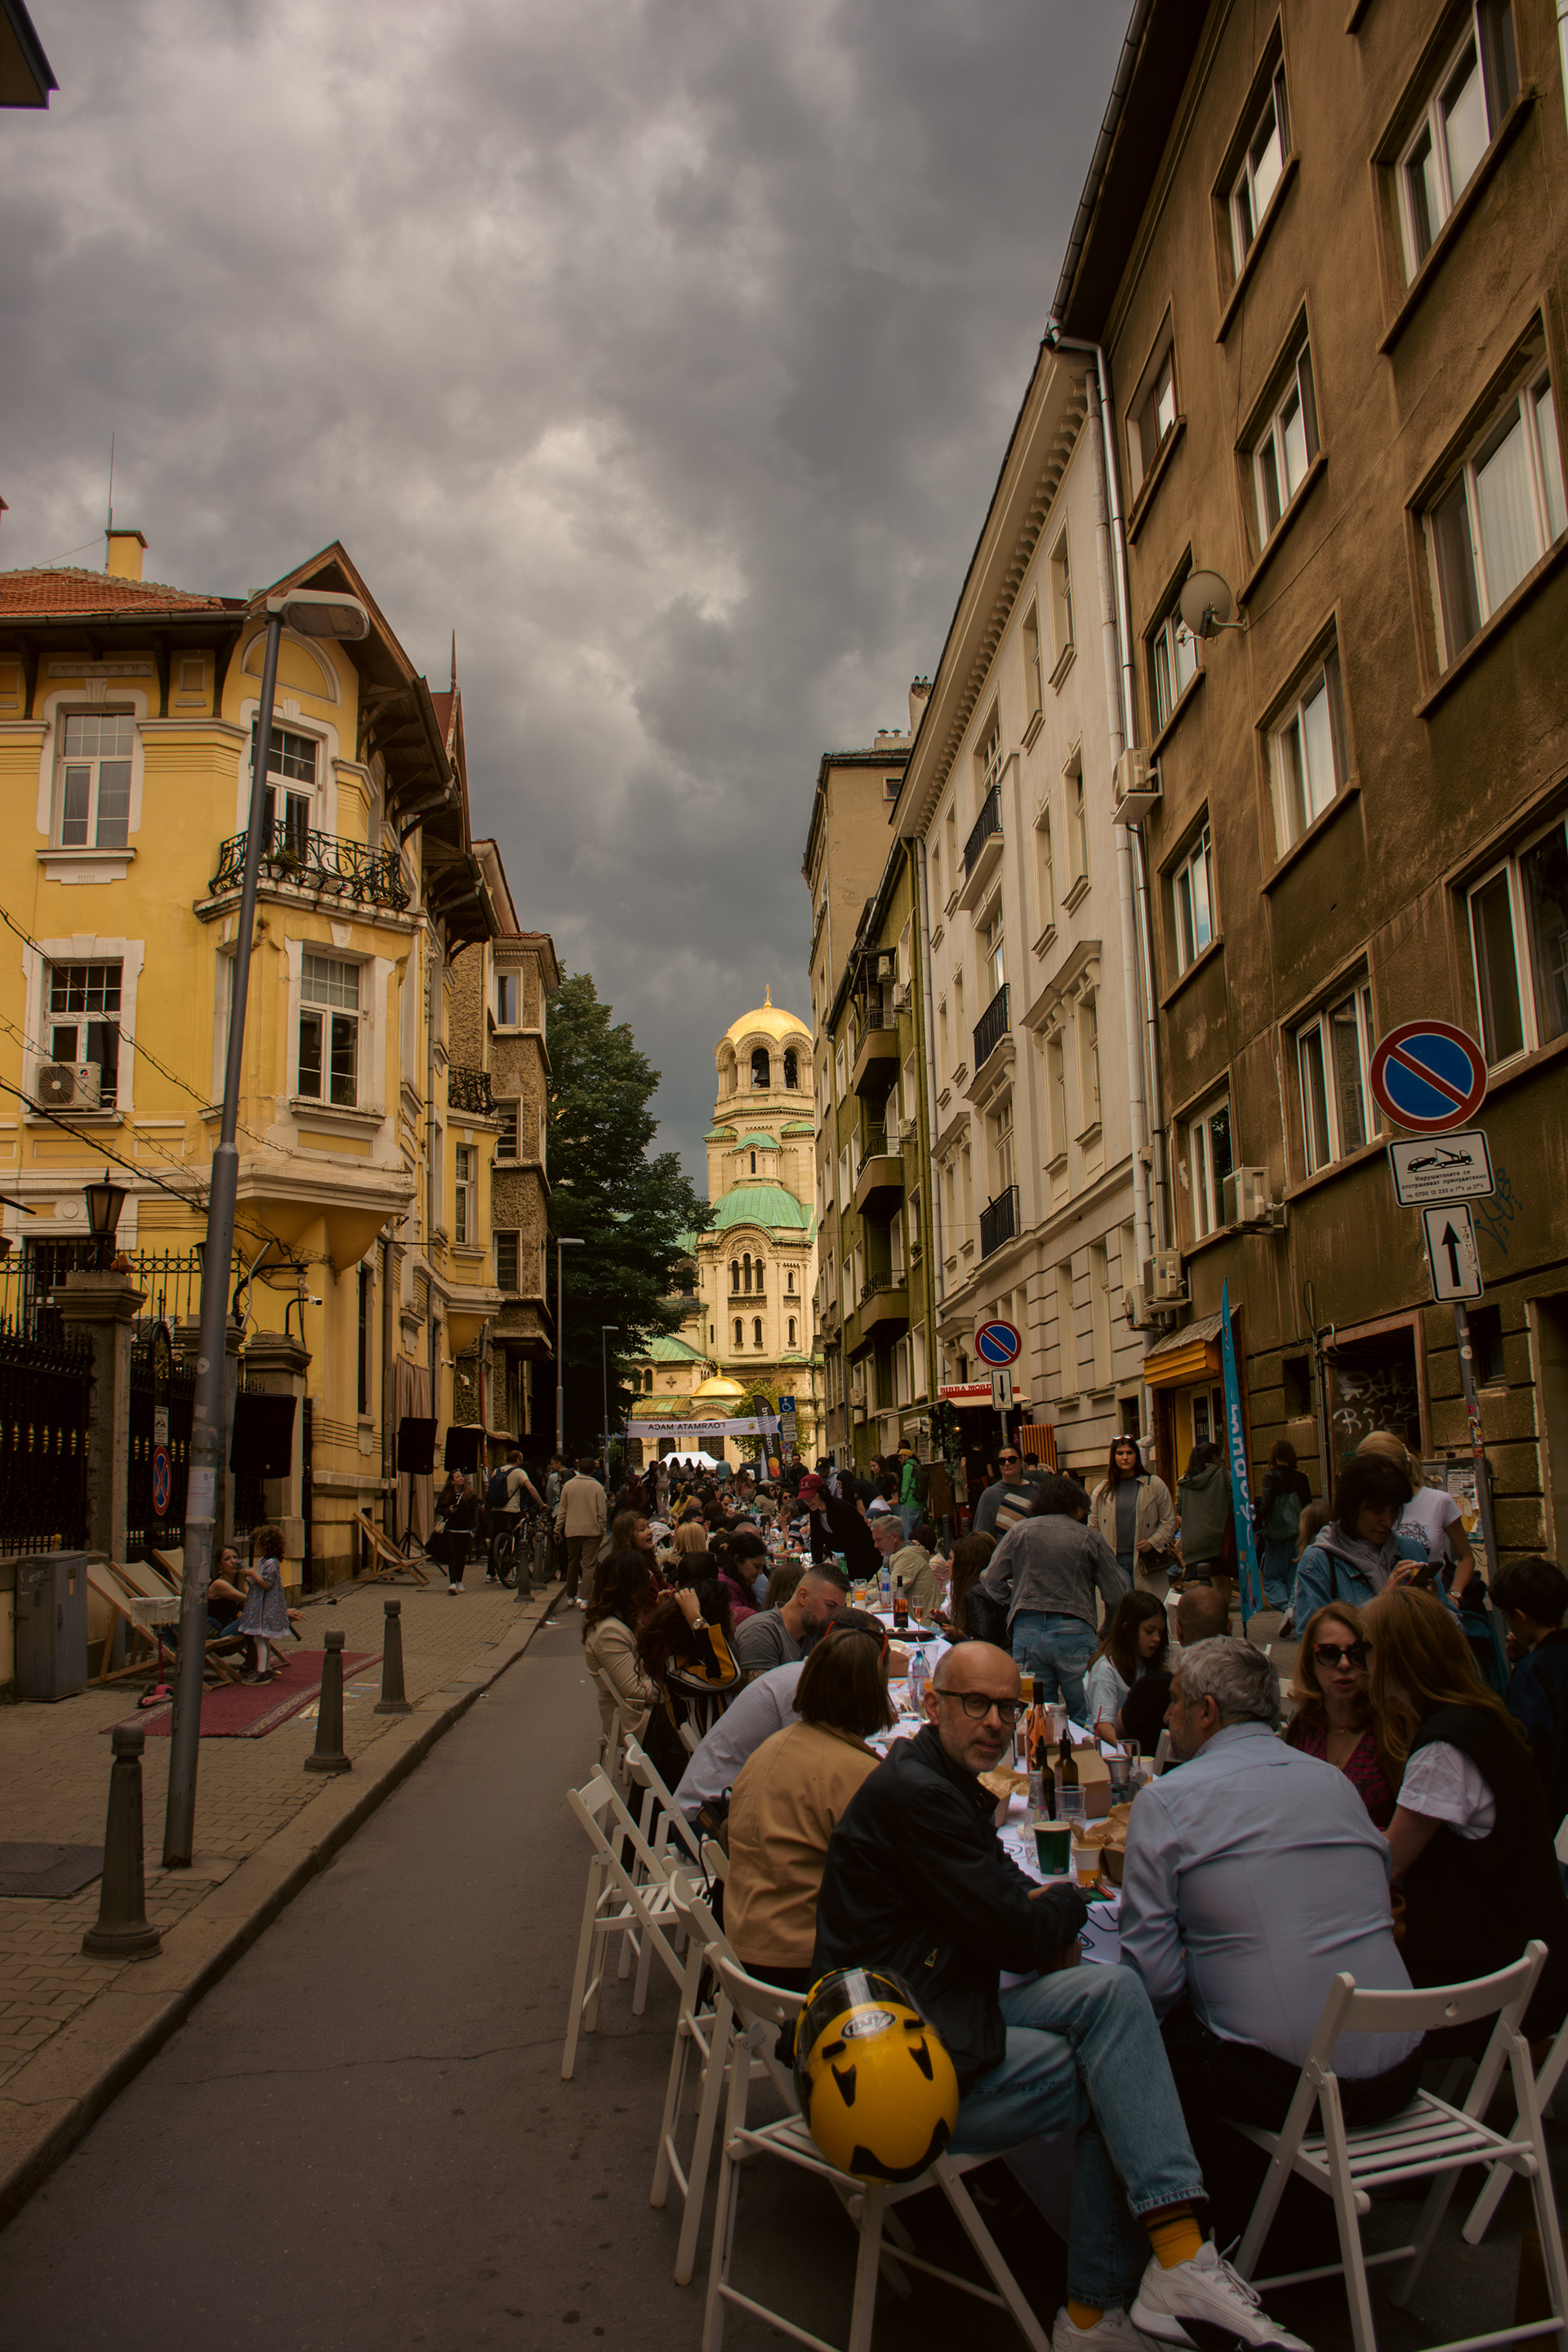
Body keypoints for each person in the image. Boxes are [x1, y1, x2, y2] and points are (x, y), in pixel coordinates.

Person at [813, 1639, 1310, 2351]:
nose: (994, 1721)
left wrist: (1040, 1911)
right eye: (975, 1704)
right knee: (1114, 2072)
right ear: (932, 1705)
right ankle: (1100, 2309)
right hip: (895, 2071)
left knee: (1112, 1992)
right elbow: (1015, 1933)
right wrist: (1070, 1903)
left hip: (931, 2005)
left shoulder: (934, 1777)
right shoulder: (921, 1795)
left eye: (1005, 1707)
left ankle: (1172, 2265)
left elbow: (1002, 1889)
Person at [1120, 1639, 1422, 2234]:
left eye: (1175, 1701)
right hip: (1400, 2067)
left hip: (1284, 2084)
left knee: (1124, 2031)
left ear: (1207, 1712)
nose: (1167, 1715)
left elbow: (1152, 1985)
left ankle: (1179, 2232)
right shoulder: (1336, 1783)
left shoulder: (1168, 1799)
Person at [1368, 1581, 1568, 2049]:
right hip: (1533, 1955)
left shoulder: (1442, 1748)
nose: (1361, 1663)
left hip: (1486, 1979)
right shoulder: (1480, 1717)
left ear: (1395, 1659)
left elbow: (1388, 1864)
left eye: (1366, 1650)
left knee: (1336, 1980)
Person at [725, 1615, 894, 1989]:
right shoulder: (854, 1772)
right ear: (873, 1693)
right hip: (805, 1965)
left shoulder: (774, 1746)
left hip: (744, 1946)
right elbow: (894, 1875)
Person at [978, 1473, 1127, 1721]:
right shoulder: (1090, 1537)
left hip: (1027, 1630)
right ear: (1075, 1506)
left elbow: (991, 1579)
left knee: (1035, 1716)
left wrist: (1015, 1598)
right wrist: (1106, 1632)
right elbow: (1117, 1595)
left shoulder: (1020, 1531)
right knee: (1085, 1716)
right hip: (1075, 1629)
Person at [1282, 1601, 1397, 1828]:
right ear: (1310, 1662)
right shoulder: (1302, 1727)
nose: (1344, 1664)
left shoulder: (1391, 1727)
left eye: (1356, 1653)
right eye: (1328, 1654)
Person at [1292, 1456, 1427, 1624]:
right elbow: (1313, 1635)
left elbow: (1451, 1622)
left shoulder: (1411, 1550)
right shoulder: (1318, 1562)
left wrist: (1433, 1606)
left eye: (1394, 1510)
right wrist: (1380, 1603)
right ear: (1351, 1508)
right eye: (1378, 1511)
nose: (1388, 1522)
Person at [1493, 1555, 1568, 1837]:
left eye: (1506, 1616)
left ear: (1520, 1616)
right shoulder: (1540, 1662)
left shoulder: (1532, 1672)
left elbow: (1526, 1743)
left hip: (1554, 1807)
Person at [1357, 1432, 1475, 1597]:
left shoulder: (1439, 1501)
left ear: (1394, 1466)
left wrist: (1454, 1595)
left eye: (1370, 1471)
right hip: (1387, 1604)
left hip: (1430, 1602)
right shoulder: (1366, 1509)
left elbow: (1466, 1557)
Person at [1119, 1584, 1227, 1755]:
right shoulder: (1245, 1685)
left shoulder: (1150, 1688)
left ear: (1178, 1630)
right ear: (1229, 1626)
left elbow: (1117, 1732)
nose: (1168, 1718)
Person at [582, 1548, 666, 1753]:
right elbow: (634, 1690)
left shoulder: (623, 1618)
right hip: (634, 1717)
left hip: (640, 1709)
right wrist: (671, 1685)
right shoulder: (609, 1631)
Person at [1090, 1437, 1178, 1599]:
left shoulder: (1154, 1484)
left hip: (1147, 1560)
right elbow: (1093, 1528)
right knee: (1126, 1603)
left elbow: (1168, 1521)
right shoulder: (1102, 1490)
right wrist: (1101, 1555)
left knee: (1148, 1604)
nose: (1125, 1458)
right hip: (1115, 1560)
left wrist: (1153, 1542)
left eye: (1130, 1453)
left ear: (1137, 1455)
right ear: (1113, 1457)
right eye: (1120, 1453)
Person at [1084, 1590, 1169, 1737]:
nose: (1156, 1638)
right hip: (1111, 1745)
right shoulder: (1106, 1669)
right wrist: (1126, 1748)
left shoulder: (1146, 1662)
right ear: (1126, 1628)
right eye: (1149, 1631)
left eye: (1160, 1632)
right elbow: (1103, 1727)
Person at [731, 1567, 845, 1675]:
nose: (835, 1616)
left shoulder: (810, 1631)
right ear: (803, 1596)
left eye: (840, 1609)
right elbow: (764, 1689)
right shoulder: (760, 1634)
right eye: (830, 1606)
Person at [1174, 1442, 1233, 1615]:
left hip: (1194, 1543)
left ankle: (1206, 1616)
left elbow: (1179, 1508)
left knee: (1205, 1582)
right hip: (1219, 1541)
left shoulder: (1185, 1480)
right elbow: (1234, 1499)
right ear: (1215, 1457)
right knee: (1222, 1581)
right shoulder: (1223, 1475)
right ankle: (1220, 1617)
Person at [1253, 1441, 1312, 1613]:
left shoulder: (1271, 1476)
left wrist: (1256, 1522)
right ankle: (1296, 1607)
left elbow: (1267, 1504)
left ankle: (1286, 1609)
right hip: (1299, 1531)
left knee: (1272, 1576)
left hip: (1278, 1533)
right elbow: (1307, 1504)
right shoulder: (1301, 1478)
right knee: (1294, 1574)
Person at [236, 1523, 292, 1681]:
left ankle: (261, 1671)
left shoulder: (271, 1563)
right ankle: (266, 1668)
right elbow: (257, 1582)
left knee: (259, 1638)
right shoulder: (263, 1561)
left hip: (266, 1606)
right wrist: (248, 1575)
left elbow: (266, 1584)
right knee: (263, 1638)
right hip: (260, 1604)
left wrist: (253, 1574)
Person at [484, 1448, 543, 1585]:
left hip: (496, 1510)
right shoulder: (519, 1472)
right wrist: (541, 1503)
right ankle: (505, 1573)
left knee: (496, 1541)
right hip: (512, 1511)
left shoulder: (497, 1471)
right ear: (518, 1460)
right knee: (513, 1540)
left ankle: (490, 1573)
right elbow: (530, 1488)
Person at [555, 1456, 607, 1607]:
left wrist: (557, 1528)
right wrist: (602, 1528)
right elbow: (602, 1512)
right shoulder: (597, 1487)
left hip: (572, 1530)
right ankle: (585, 1599)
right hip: (592, 1531)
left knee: (573, 1562)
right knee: (588, 1565)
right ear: (593, 1470)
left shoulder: (568, 1486)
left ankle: (571, 1597)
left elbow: (562, 1511)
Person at [870, 1512, 938, 1615]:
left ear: (894, 1537)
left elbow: (890, 1591)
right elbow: (875, 1582)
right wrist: (859, 1592)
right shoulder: (890, 1557)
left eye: (879, 1540)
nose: (875, 1545)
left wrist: (862, 1595)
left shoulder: (908, 1556)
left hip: (923, 1622)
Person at [971, 1443, 1040, 1539]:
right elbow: (982, 1536)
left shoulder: (1036, 1489)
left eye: (1012, 1460)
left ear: (1021, 1461)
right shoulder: (990, 1495)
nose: (1007, 1464)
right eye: (1002, 1461)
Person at [941, 1531, 996, 1640]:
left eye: (950, 1558)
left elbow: (984, 1642)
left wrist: (961, 1636)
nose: (947, 1564)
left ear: (963, 1563)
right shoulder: (972, 1589)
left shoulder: (976, 1593)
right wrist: (946, 1622)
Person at [434, 1468, 480, 1594]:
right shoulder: (446, 1495)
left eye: (461, 1476)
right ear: (452, 1481)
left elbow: (475, 1511)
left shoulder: (469, 1495)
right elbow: (438, 1509)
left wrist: (474, 1528)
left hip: (464, 1529)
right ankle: (452, 1583)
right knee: (453, 1556)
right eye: (457, 1477)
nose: (461, 1478)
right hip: (450, 1529)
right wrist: (448, 1511)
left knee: (461, 1557)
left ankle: (460, 1581)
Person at [897, 1438, 924, 1539]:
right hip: (919, 1504)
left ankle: (909, 1547)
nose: (899, 1459)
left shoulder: (907, 1467)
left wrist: (902, 1499)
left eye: (901, 1457)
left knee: (908, 1533)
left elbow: (905, 1485)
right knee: (918, 1534)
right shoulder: (917, 1466)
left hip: (909, 1503)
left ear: (907, 1457)